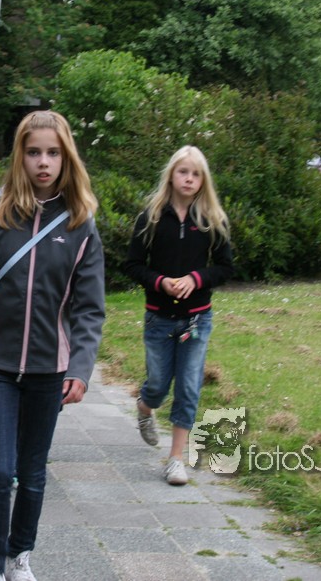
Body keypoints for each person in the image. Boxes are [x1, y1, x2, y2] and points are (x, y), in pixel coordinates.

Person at [0, 111, 106, 581]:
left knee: (31, 473)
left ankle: (18, 555)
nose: (43, 162)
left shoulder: (81, 226)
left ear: (66, 158)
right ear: (19, 158)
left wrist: (81, 368)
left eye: (53, 153)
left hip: (51, 369)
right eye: (33, 152)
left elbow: (90, 309)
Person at [122, 145, 233, 486]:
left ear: (203, 180)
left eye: (196, 174)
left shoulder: (212, 219)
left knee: (188, 387)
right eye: (183, 171)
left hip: (197, 320)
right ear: (171, 175)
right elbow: (132, 265)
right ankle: (145, 407)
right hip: (159, 319)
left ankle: (175, 460)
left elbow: (225, 268)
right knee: (157, 385)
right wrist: (160, 282)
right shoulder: (151, 217)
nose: (189, 178)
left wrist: (196, 279)